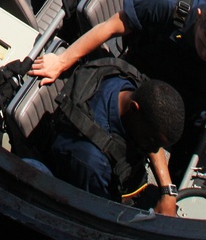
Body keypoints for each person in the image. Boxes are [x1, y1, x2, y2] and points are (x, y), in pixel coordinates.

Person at [32, 0, 206, 214]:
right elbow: (111, 26)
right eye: (202, 44)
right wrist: (62, 61)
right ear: (198, 17)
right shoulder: (166, 5)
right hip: (140, 99)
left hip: (181, 114)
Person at [47, 57, 185, 206]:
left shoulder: (130, 83)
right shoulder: (92, 161)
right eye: (152, 142)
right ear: (134, 109)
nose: (154, 151)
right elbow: (96, 213)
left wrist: (167, 192)